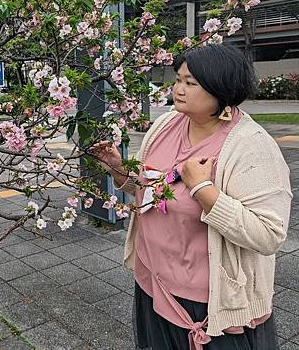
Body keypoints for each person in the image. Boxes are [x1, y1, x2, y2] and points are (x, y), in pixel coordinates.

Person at [91, 43, 291, 350]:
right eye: (178, 79)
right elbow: (155, 188)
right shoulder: (167, 124)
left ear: (220, 91)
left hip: (210, 304)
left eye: (190, 83)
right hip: (155, 282)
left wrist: (203, 190)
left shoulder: (251, 146)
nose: (178, 89)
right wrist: (121, 173)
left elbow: (268, 234)